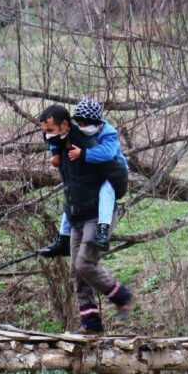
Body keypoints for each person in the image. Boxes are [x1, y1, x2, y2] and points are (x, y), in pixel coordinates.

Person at [37, 104, 134, 334]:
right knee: (75, 270)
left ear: (64, 124)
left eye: (51, 128)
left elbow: (117, 170)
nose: (48, 133)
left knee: (85, 263)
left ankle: (123, 297)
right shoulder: (59, 140)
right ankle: (91, 324)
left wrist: (87, 156)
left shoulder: (90, 141)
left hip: (97, 213)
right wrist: (55, 154)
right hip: (76, 214)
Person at [38, 99, 129, 256]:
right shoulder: (72, 132)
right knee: (71, 198)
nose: (83, 127)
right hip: (85, 184)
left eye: (86, 124)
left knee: (105, 194)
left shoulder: (108, 132)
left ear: (97, 121)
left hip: (113, 174)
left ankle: (102, 229)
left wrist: (84, 153)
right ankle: (63, 239)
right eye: (79, 123)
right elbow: (53, 140)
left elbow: (108, 154)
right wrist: (55, 154)